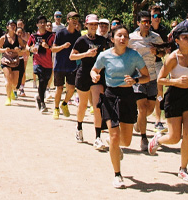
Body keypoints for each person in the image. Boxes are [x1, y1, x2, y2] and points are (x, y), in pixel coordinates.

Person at [92, 24, 151, 189]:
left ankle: (117, 150)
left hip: (128, 97)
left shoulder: (134, 56)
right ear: (112, 39)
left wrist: (136, 80)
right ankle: (117, 174)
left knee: (125, 141)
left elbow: (146, 76)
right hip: (110, 97)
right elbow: (94, 70)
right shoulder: (105, 55)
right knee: (114, 137)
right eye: (119, 36)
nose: (123, 38)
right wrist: (95, 76)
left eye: (125, 36)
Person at [148, 30, 188, 182]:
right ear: (177, 40)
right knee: (174, 137)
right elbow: (160, 80)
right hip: (174, 97)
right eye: (185, 38)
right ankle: (158, 140)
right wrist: (176, 82)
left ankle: (183, 169)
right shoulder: (172, 58)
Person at [70, 13, 110, 148]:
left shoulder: (102, 40)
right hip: (83, 75)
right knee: (82, 105)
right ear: (86, 25)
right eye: (91, 24)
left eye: (95, 24)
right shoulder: (81, 40)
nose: (94, 26)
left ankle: (98, 137)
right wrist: (86, 54)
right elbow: (72, 56)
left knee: (97, 106)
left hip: (97, 75)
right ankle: (79, 127)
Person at [129, 12, 164, 153]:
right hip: (138, 77)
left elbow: (163, 53)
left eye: (148, 22)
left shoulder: (156, 37)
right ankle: (144, 138)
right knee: (142, 108)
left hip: (152, 76)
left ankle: (139, 124)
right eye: (144, 22)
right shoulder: (131, 38)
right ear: (138, 23)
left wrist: (157, 53)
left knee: (149, 109)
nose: (147, 24)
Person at [50, 11, 80, 119]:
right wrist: (63, 46)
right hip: (60, 65)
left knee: (71, 88)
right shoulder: (60, 33)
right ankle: (56, 108)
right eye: (73, 18)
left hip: (72, 65)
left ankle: (64, 104)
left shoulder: (77, 34)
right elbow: (53, 48)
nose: (75, 19)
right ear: (68, 20)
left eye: (77, 17)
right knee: (59, 88)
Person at [149, 6, 171, 132]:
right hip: (145, 64)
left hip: (157, 63)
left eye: (158, 16)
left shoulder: (163, 31)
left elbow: (164, 51)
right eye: (153, 16)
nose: (156, 18)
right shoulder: (146, 29)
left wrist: (157, 53)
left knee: (159, 92)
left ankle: (158, 120)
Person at [27, 15, 55, 111]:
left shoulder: (51, 36)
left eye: (44, 22)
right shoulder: (33, 36)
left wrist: (48, 47)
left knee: (45, 81)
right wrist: (31, 49)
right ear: (37, 24)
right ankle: (42, 103)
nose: (42, 24)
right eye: (40, 22)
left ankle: (39, 97)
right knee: (41, 80)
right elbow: (27, 46)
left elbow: (54, 47)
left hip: (48, 62)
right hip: (37, 61)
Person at [0, 21, 24, 105]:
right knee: (9, 79)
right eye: (11, 25)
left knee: (15, 82)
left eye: (14, 25)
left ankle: (12, 90)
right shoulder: (3, 38)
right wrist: (4, 50)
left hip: (16, 60)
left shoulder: (18, 38)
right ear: (7, 27)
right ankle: (8, 97)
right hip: (6, 60)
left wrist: (19, 49)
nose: (13, 27)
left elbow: (23, 47)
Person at [15, 18, 30, 97]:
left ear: (23, 25)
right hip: (15, 55)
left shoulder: (27, 34)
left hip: (24, 55)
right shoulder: (14, 34)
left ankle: (22, 87)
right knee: (15, 71)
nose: (19, 26)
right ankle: (15, 86)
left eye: (21, 24)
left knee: (23, 71)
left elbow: (29, 44)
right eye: (18, 25)